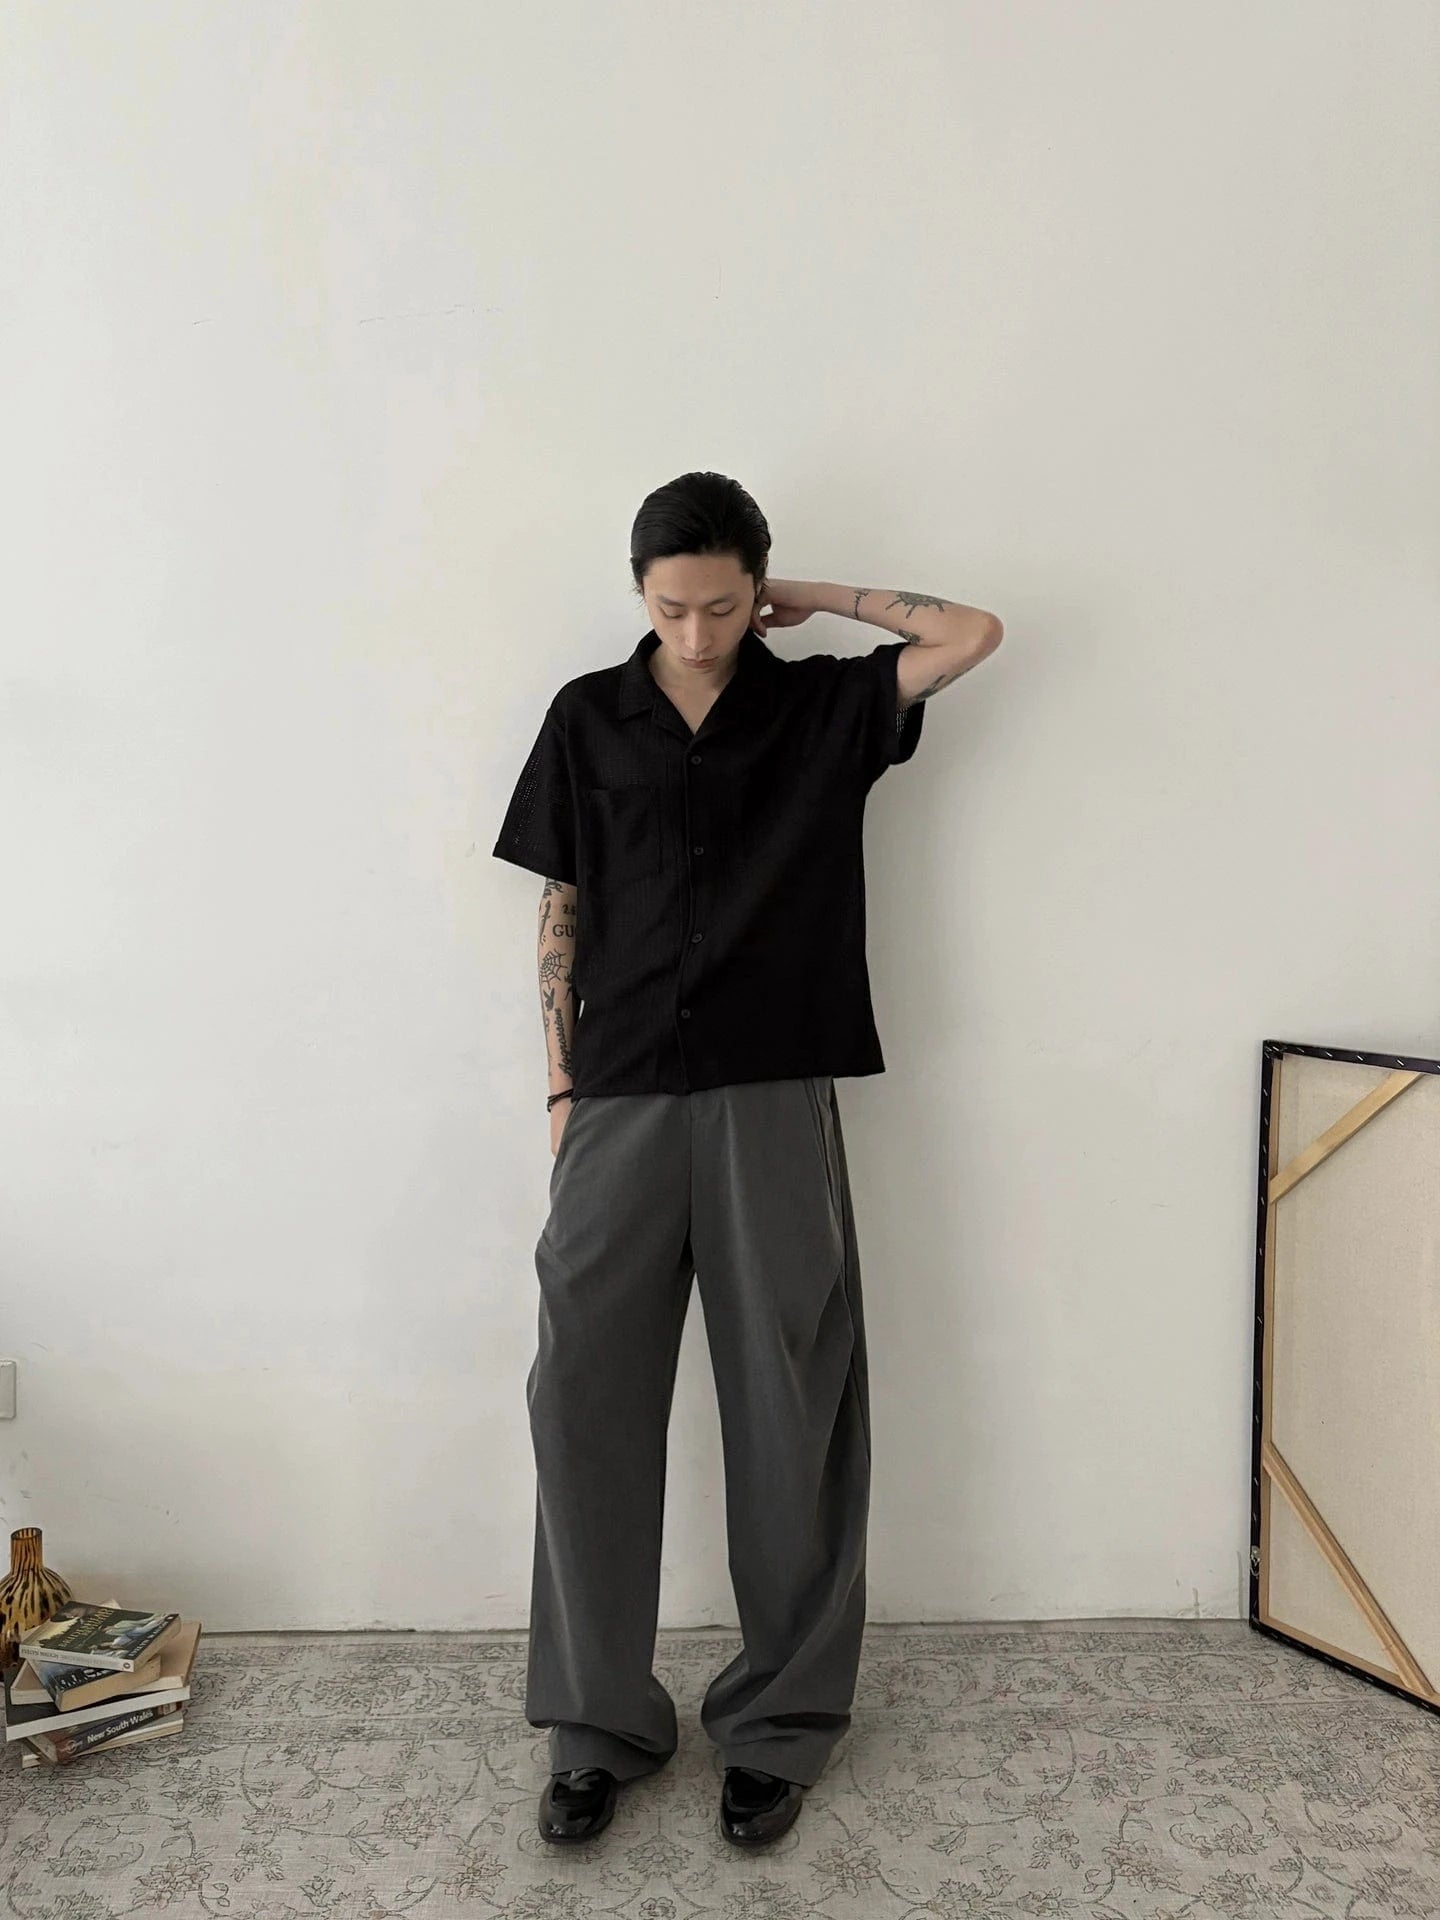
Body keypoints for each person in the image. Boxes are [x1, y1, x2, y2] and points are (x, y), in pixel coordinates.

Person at [492, 470, 1003, 1848]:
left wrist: (817, 599)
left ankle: (780, 1720)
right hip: (617, 1095)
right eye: (672, 607)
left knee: (791, 1398)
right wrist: (559, 1081)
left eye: (723, 606)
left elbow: (971, 633)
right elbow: (563, 902)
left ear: (755, 592)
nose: (698, 633)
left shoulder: (825, 706)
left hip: (774, 1094)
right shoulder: (587, 716)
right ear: (638, 592)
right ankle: (595, 1724)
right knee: (581, 1396)